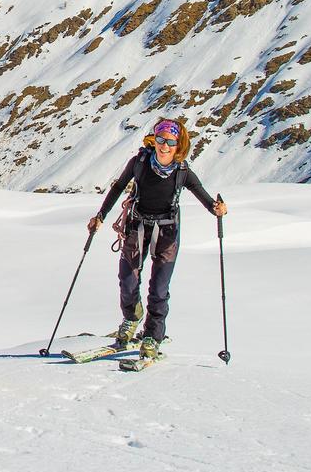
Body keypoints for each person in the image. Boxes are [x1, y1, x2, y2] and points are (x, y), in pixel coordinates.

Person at [87, 117, 226, 358]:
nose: (164, 146)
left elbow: (204, 197)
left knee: (159, 288)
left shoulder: (183, 173)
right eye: (161, 140)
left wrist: (216, 208)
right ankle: (132, 317)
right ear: (155, 140)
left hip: (167, 232)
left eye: (170, 142)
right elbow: (119, 187)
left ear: (178, 145)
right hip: (137, 226)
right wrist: (100, 215)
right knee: (127, 280)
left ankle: (152, 335)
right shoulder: (139, 162)